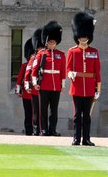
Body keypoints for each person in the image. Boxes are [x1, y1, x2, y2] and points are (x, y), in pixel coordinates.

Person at [67, 12, 101, 146]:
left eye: (85, 36)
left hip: (90, 88)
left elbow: (97, 72)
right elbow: (68, 68)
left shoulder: (94, 52)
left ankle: (86, 138)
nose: (83, 39)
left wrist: (98, 89)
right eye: (81, 36)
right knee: (77, 116)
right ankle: (76, 138)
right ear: (77, 37)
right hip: (77, 88)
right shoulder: (72, 51)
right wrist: (71, 74)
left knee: (87, 116)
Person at [32, 21, 65, 136]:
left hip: (56, 85)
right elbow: (34, 69)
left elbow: (62, 71)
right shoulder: (41, 54)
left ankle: (53, 130)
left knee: (54, 111)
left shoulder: (61, 54)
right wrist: (35, 82)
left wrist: (63, 84)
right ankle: (44, 129)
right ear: (46, 42)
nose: (52, 43)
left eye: (54, 42)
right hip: (44, 85)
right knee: (43, 110)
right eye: (50, 42)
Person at [24, 29, 46, 135]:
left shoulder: (47, 56)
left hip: (45, 87)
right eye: (40, 47)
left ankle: (44, 129)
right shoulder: (33, 58)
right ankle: (36, 129)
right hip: (35, 88)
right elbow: (28, 71)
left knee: (44, 110)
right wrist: (28, 85)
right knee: (36, 111)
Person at [14, 37, 36, 135]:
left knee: (36, 114)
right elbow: (19, 79)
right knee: (28, 114)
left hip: (37, 93)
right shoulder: (24, 65)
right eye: (32, 54)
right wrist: (18, 91)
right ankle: (28, 130)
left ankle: (36, 130)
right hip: (27, 93)